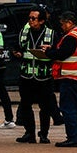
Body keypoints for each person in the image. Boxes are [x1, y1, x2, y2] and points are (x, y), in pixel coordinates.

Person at [14, 8, 58, 143]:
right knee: (25, 105)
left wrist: (49, 51)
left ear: (42, 21)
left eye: (33, 18)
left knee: (45, 107)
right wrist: (16, 53)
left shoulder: (51, 34)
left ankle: (44, 134)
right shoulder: (24, 32)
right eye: (29, 18)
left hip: (43, 76)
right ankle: (29, 133)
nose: (30, 21)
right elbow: (17, 47)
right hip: (26, 75)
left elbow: (57, 53)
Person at [49, 10, 77, 147]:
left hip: (71, 77)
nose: (61, 27)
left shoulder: (71, 37)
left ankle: (73, 137)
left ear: (69, 23)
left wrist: (48, 52)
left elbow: (62, 54)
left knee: (69, 109)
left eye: (63, 24)